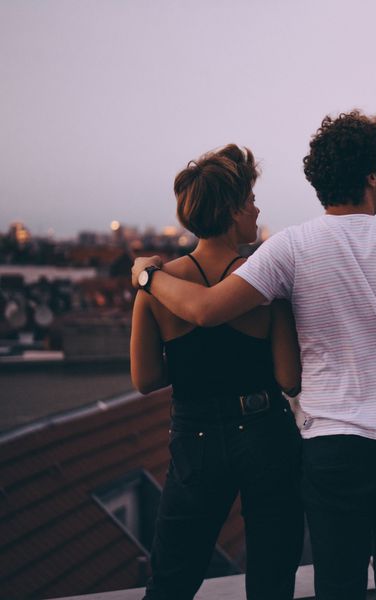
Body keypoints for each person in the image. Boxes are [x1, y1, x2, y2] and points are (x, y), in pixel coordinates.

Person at [131, 111, 376, 600]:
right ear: (370, 175)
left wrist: (147, 278)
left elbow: (206, 312)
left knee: (337, 585)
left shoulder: (290, 249)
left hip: (332, 447)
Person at [130, 144, 304, 600]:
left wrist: (194, 365)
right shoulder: (265, 280)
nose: (257, 208)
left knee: (172, 577)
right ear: (231, 211)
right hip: (266, 432)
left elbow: (145, 379)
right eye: (250, 200)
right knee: (272, 578)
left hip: (196, 436)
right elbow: (289, 377)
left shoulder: (157, 283)